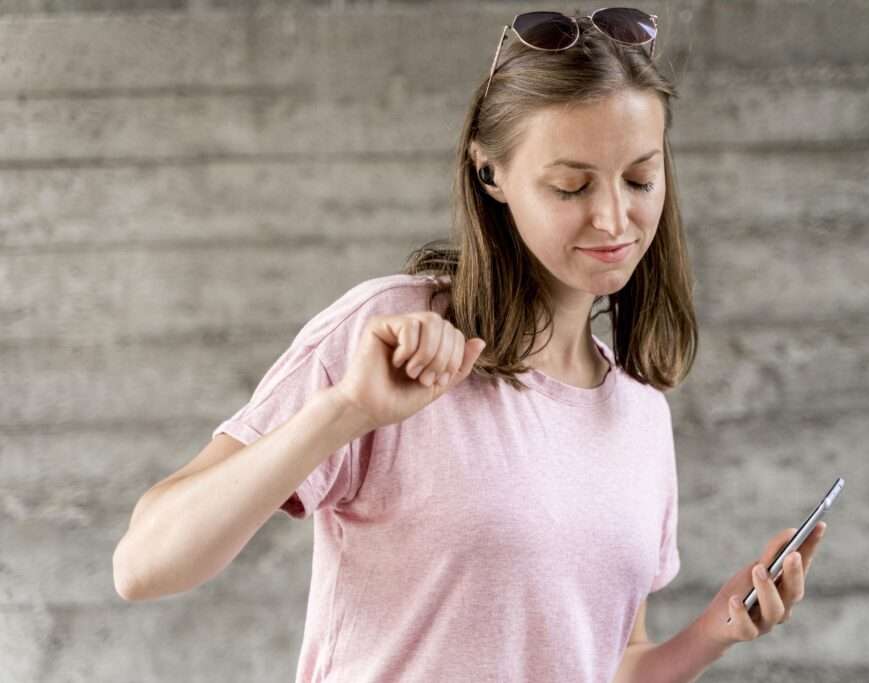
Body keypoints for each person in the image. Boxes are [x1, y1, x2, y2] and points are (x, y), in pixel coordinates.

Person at [113, 8, 827, 682]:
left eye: (640, 178)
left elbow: (605, 660)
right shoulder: (389, 335)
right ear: (491, 173)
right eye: (571, 185)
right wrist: (346, 410)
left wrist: (714, 630)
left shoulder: (638, 410)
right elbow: (143, 565)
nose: (615, 216)